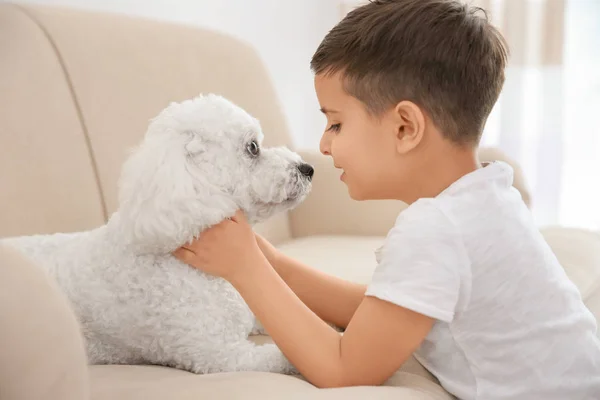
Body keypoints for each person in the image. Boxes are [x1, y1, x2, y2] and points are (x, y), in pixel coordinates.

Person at [173, 1, 600, 398]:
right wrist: (273, 262)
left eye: (336, 124)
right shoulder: (486, 198)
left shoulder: (435, 228)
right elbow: (387, 309)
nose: (323, 145)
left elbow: (345, 370)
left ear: (404, 127)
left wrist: (246, 269)